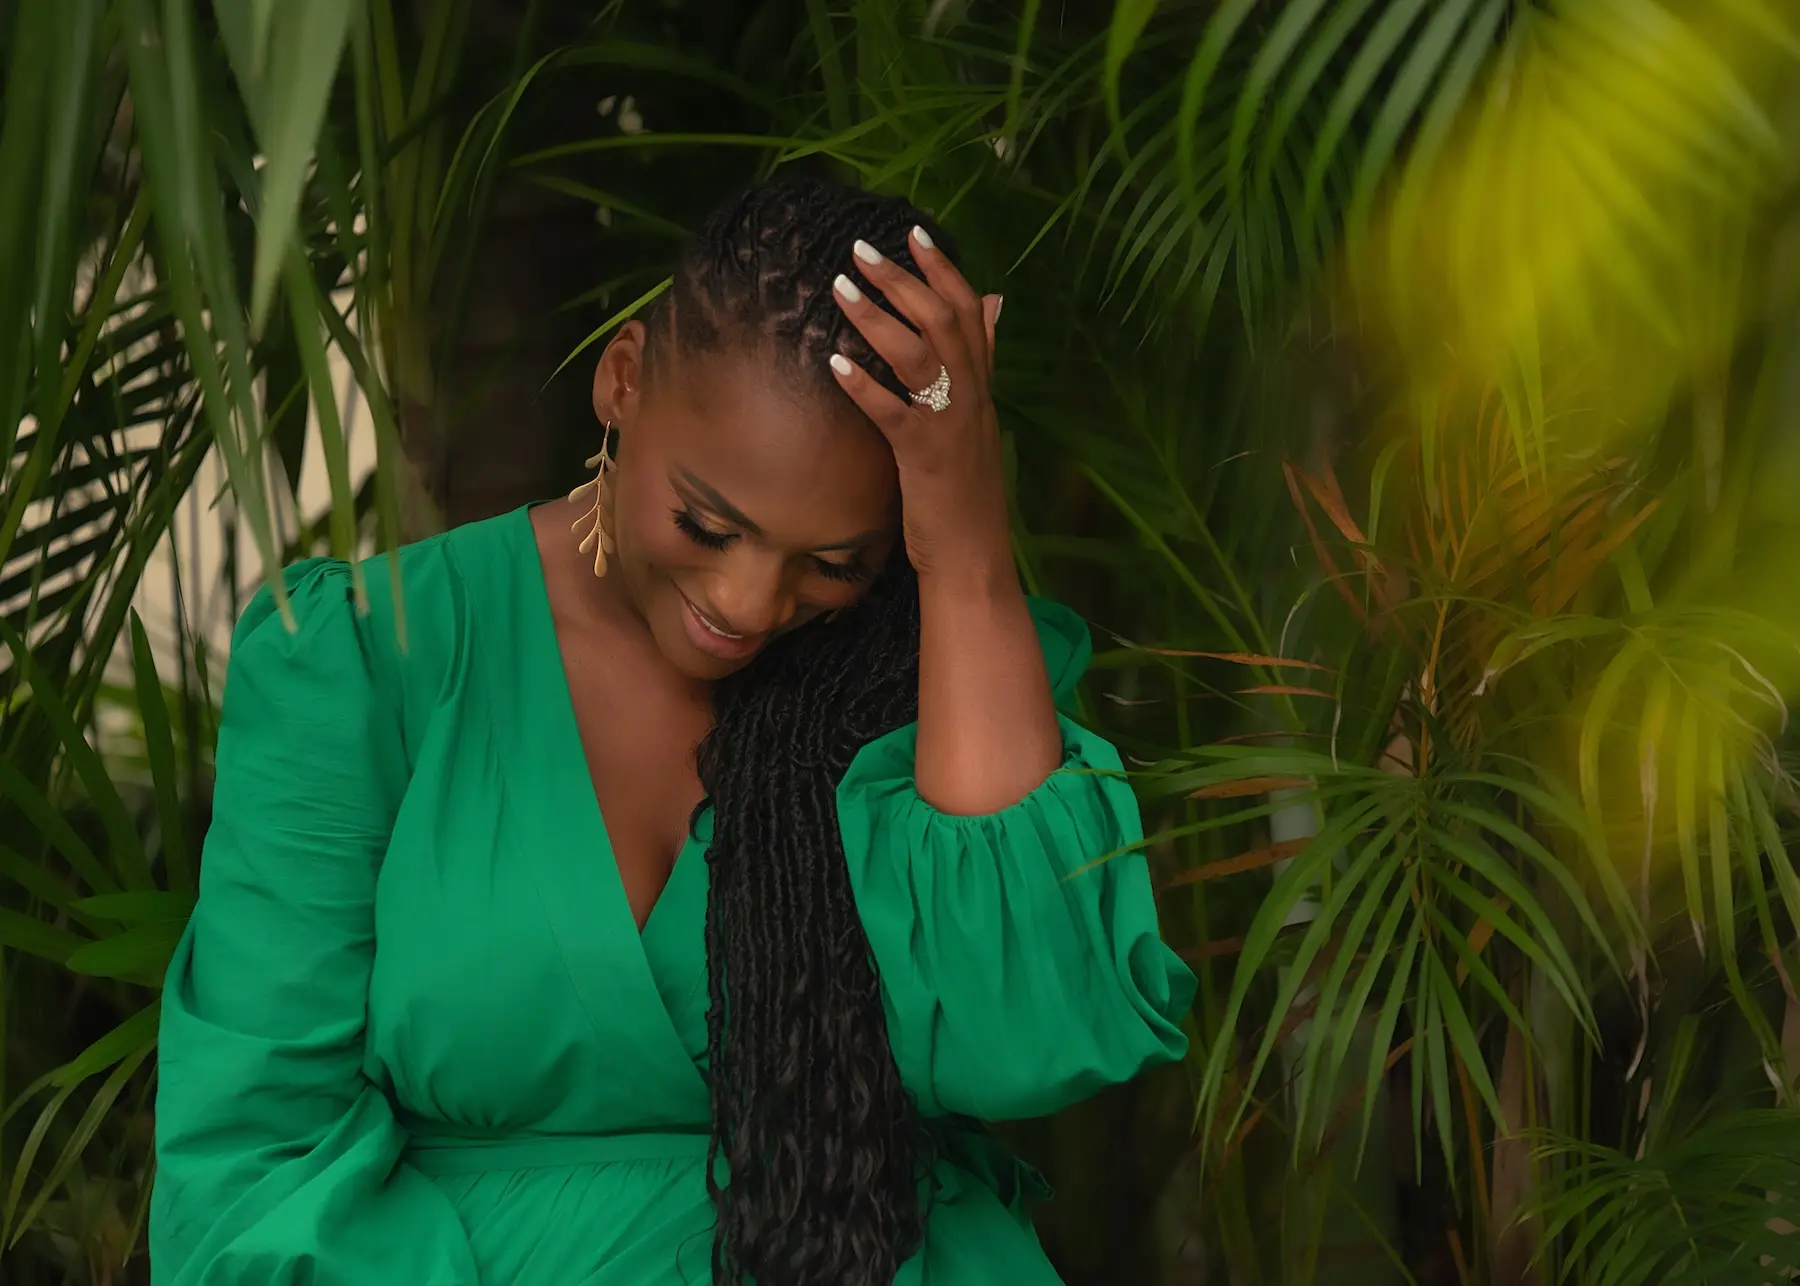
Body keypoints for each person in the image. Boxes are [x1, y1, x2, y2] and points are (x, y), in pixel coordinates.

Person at [149, 174, 1195, 1286]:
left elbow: (1018, 1035)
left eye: (832, 562)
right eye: (706, 522)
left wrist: (964, 544)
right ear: (624, 378)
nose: (746, 604)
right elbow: (252, 1169)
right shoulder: (368, 660)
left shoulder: (920, 674)